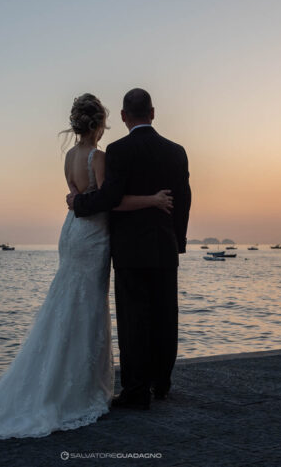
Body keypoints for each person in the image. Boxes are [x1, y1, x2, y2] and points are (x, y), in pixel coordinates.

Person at [0, 93, 173, 439]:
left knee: (68, 302)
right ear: (99, 123)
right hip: (93, 238)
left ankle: (57, 381)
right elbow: (109, 202)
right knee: (87, 306)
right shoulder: (99, 157)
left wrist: (81, 201)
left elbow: (76, 198)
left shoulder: (69, 156)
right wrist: (153, 199)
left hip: (72, 233)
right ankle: (77, 388)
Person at [68, 88, 191, 410]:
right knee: (165, 317)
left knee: (134, 318)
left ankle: (136, 391)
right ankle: (161, 384)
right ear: (153, 112)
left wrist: (77, 202)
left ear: (124, 116)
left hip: (130, 249)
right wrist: (178, 241)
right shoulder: (177, 151)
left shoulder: (118, 150)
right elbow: (184, 200)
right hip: (165, 246)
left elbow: (110, 198)